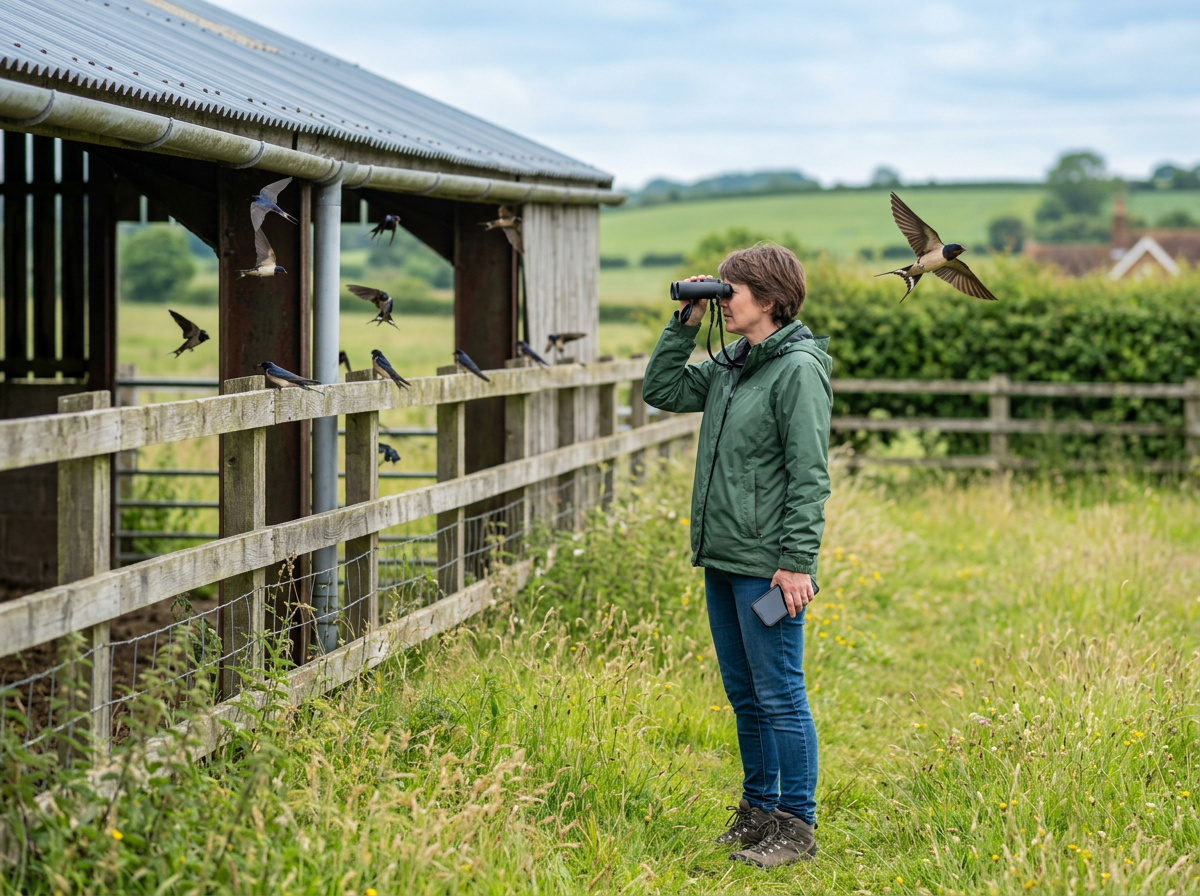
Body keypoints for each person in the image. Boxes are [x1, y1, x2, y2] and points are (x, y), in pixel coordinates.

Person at [642, 244, 832, 868]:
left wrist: (797, 562)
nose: (726, 297)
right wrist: (686, 324)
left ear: (769, 299)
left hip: (767, 563)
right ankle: (757, 812)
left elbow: (809, 475)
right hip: (722, 557)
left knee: (779, 694)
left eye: (733, 289)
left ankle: (796, 826)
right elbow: (663, 388)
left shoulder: (798, 369)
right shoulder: (734, 363)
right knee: (744, 694)